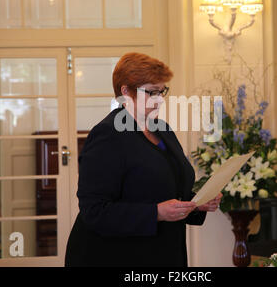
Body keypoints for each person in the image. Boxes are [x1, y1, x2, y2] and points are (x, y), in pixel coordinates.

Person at [65, 52, 222, 267]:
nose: (159, 99)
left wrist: (197, 202)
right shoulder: (107, 135)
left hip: (163, 252)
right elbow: (94, 211)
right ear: (125, 92)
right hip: (114, 255)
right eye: (152, 92)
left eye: (162, 91)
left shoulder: (162, 129)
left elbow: (167, 188)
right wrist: (155, 213)